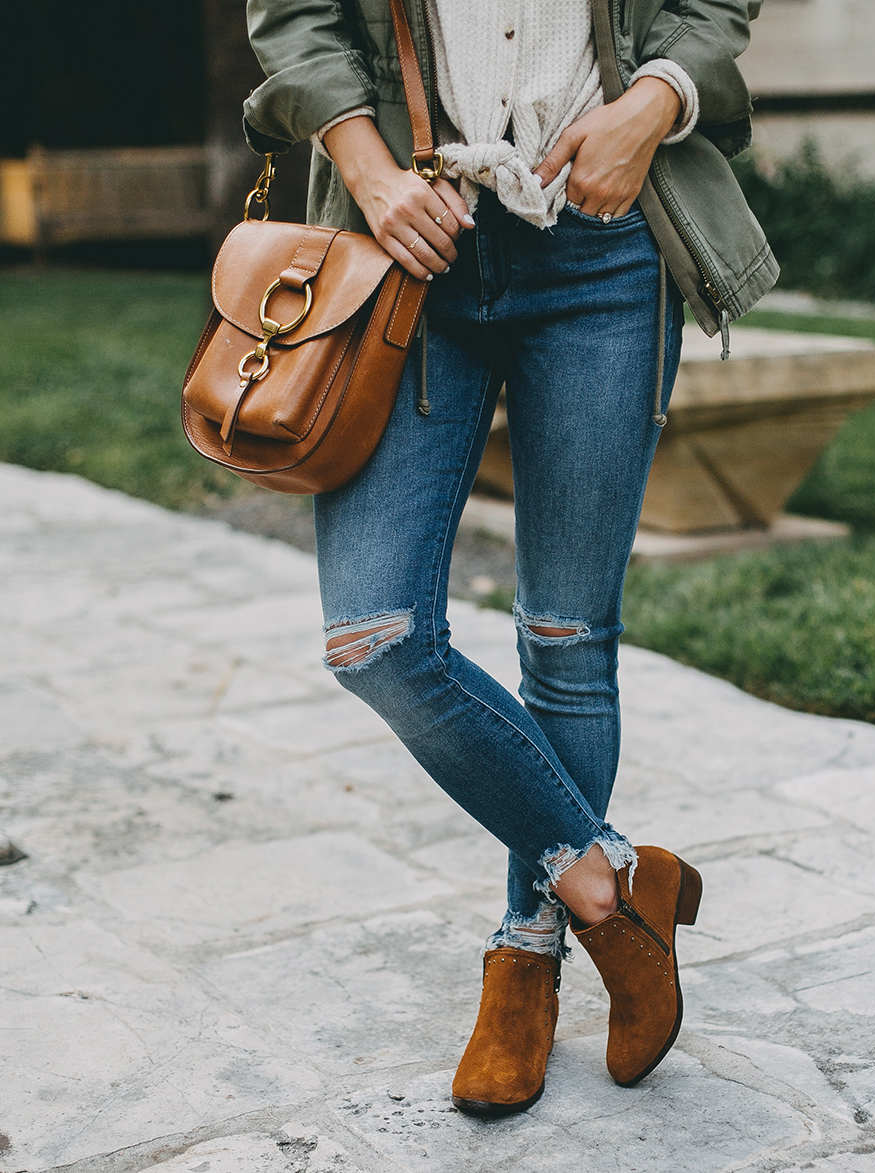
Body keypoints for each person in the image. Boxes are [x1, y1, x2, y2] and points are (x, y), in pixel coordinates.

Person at [243, 0, 776, 1117]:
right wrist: (374, 175)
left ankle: (526, 956)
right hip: (407, 246)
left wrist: (652, 104)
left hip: (603, 244)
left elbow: (710, 8)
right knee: (373, 634)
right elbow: (294, 16)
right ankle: (611, 889)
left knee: (566, 638)